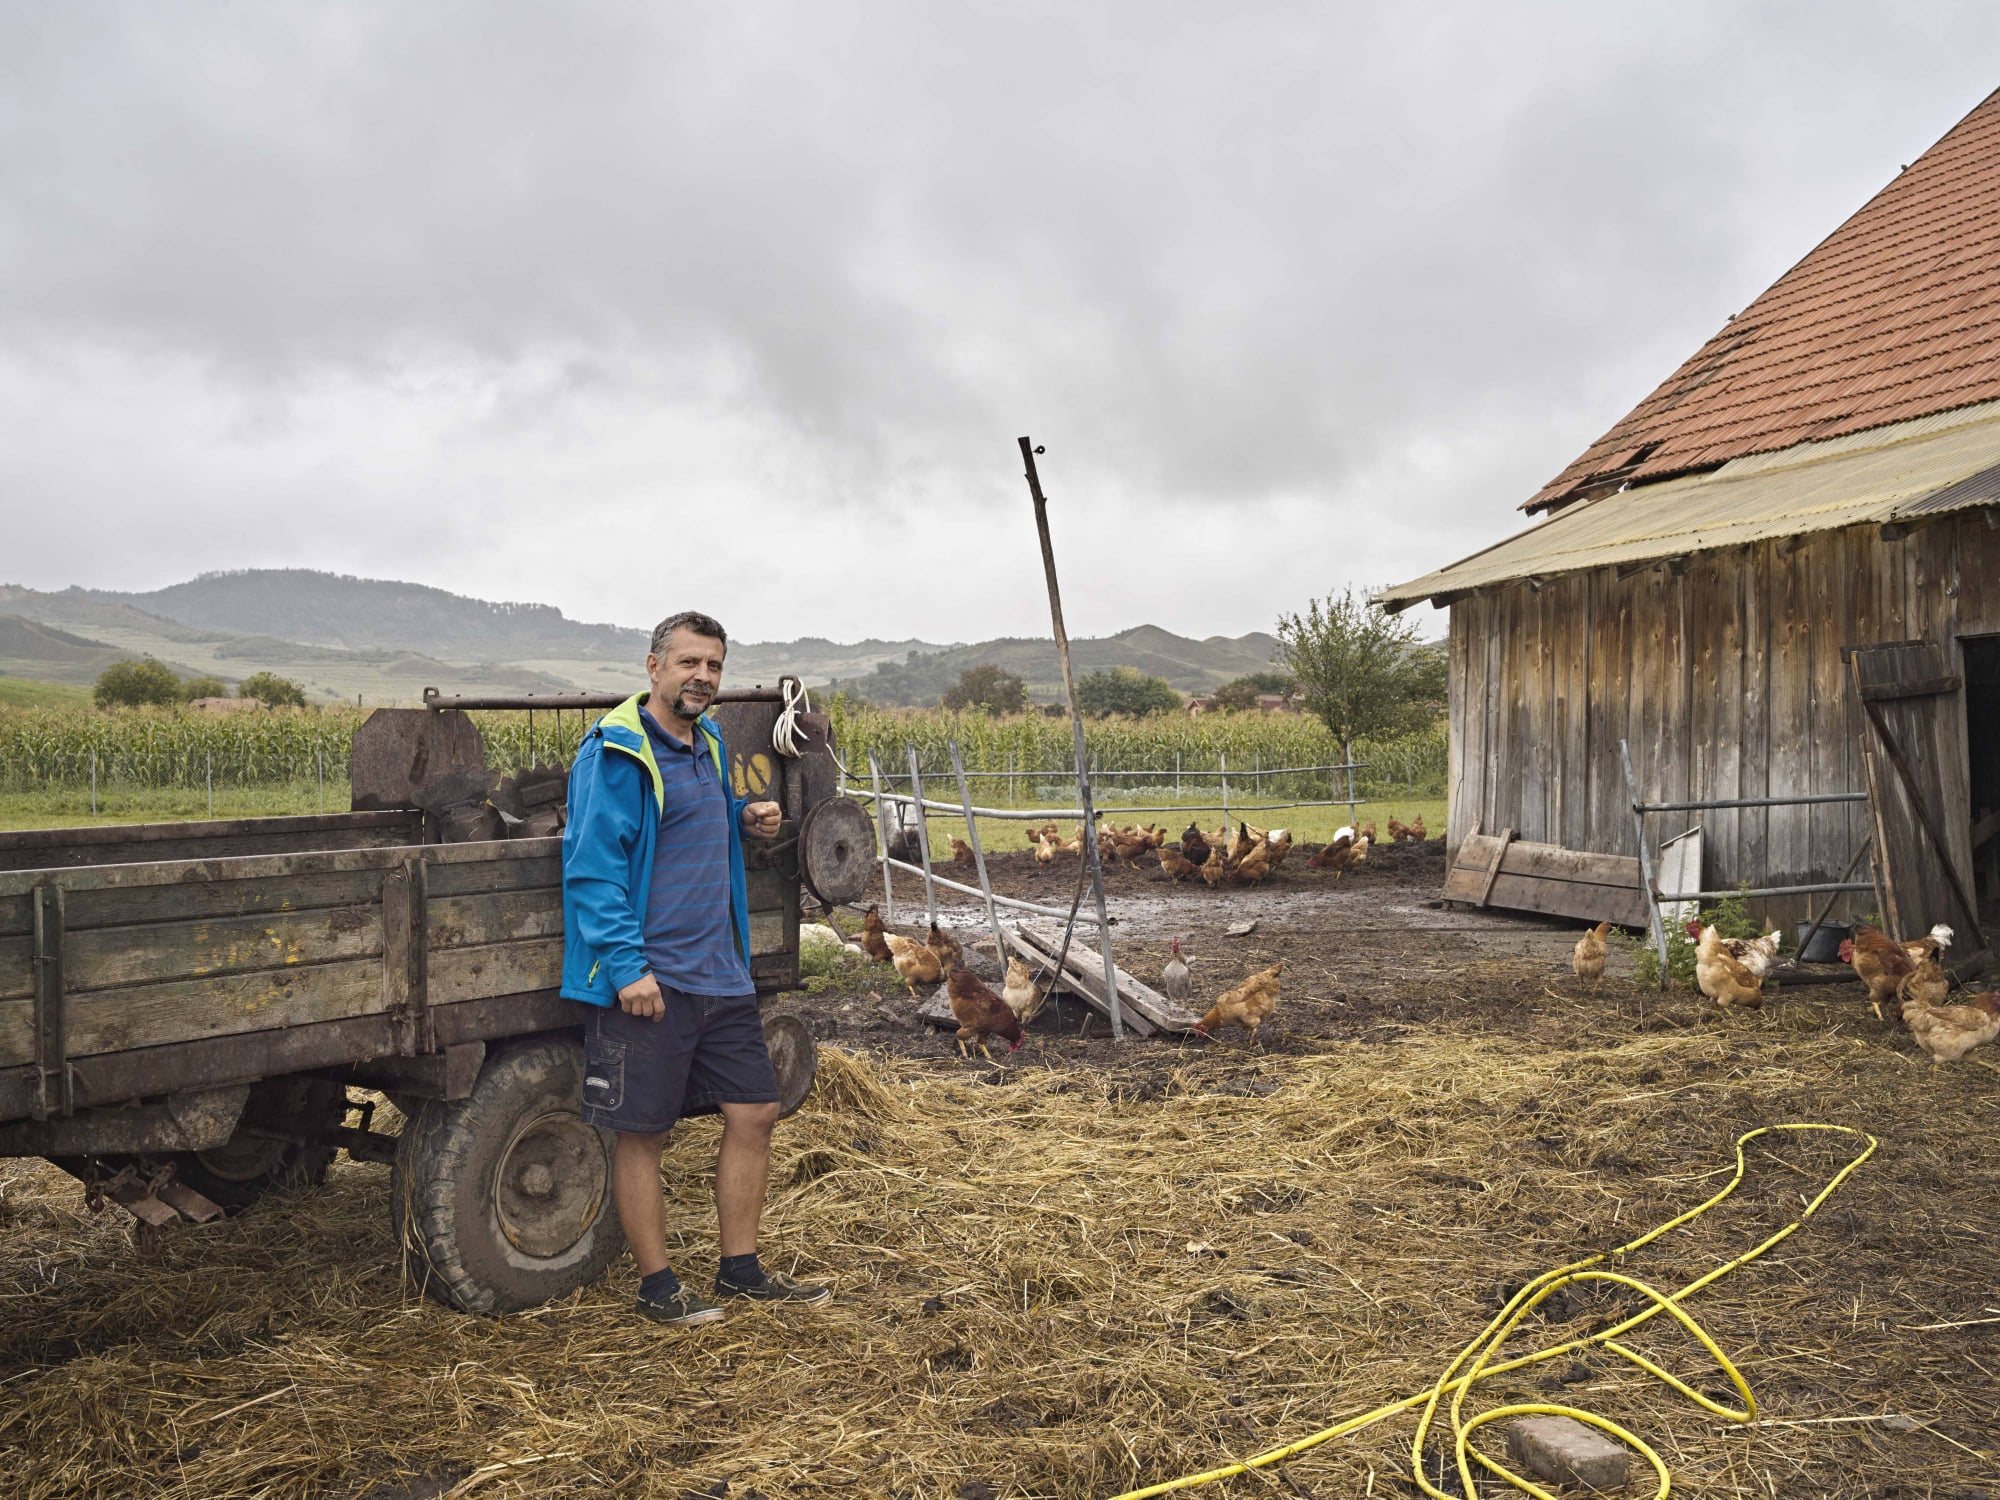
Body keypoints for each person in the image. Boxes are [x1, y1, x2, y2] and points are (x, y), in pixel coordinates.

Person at [559, 609, 828, 1325]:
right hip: (654, 980)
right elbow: (592, 869)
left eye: (713, 665)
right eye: (688, 663)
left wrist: (743, 816)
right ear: (654, 668)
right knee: (644, 1132)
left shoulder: (704, 742)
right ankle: (658, 1287)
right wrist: (625, 969)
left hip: (719, 970)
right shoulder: (616, 752)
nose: (702, 677)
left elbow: (682, 821)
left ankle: (740, 1270)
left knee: (756, 1110)